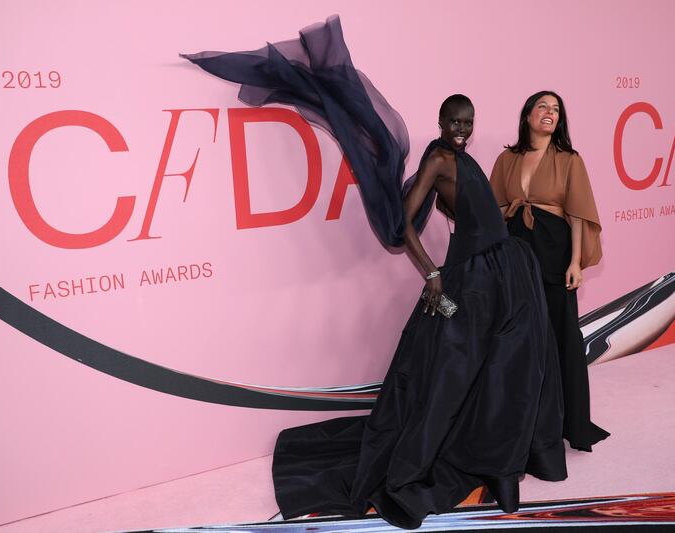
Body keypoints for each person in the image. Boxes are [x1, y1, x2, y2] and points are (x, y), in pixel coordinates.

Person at [183, 18, 567, 529]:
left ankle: (504, 463)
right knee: (469, 376)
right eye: (454, 123)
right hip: (474, 281)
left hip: (505, 273)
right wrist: (431, 274)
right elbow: (399, 223)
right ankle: (489, 466)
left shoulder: (462, 157)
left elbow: (461, 209)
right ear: (439, 121)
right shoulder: (437, 156)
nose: (461, 131)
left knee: (507, 374)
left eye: (468, 124)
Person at [489, 91, 610, 452]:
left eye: (556, 109)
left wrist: (575, 262)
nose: (550, 113)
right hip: (515, 250)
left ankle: (566, 421)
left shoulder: (569, 160)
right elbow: (494, 211)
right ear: (527, 115)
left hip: (554, 251)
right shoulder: (506, 159)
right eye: (543, 106)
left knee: (559, 335)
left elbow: (577, 215)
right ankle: (520, 418)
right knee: (517, 334)